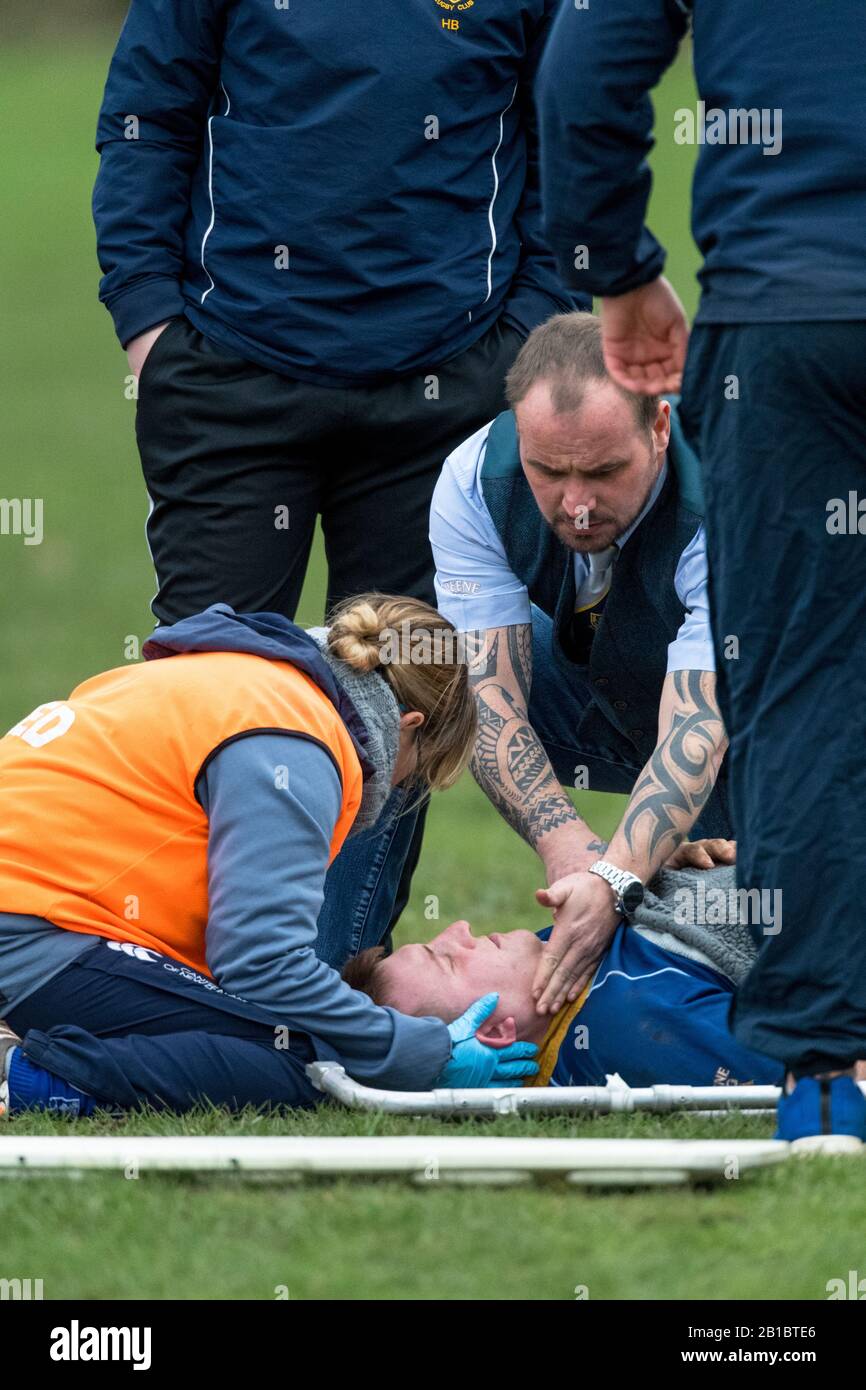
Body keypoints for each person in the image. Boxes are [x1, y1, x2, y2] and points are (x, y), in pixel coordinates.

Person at [92, 0, 587, 969]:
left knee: (400, 693)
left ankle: (331, 981)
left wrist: (526, 334)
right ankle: (170, 969)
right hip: (232, 376)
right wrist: (148, 321)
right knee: (209, 693)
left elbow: (569, 123)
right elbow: (148, 109)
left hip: (444, 387)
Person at [535, 0, 866, 1147]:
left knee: (806, 686)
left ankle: (827, 1078)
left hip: (787, 312)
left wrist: (616, 270)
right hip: (788, 299)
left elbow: (581, 73)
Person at [0, 596, 537, 1117]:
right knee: (311, 1056)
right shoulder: (297, 740)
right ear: (409, 726)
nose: (397, 789)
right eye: (416, 773)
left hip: (29, 913)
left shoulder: (245, 674)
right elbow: (260, 963)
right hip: (28, 932)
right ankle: (20, 1076)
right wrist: (419, 1053)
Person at [430, 311, 730, 1019]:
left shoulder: (727, 489)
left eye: (603, 471)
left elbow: (700, 718)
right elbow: (486, 697)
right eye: (548, 470)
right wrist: (575, 855)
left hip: (765, 728)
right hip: (610, 694)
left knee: (766, 913)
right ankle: (330, 987)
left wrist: (619, 875)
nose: (577, 505)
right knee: (390, 675)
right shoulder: (475, 478)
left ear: (659, 428)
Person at [343, 847, 783, 1092]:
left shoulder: (555, 964)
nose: (458, 928)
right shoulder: (628, 1019)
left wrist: (656, 867)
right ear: (494, 1033)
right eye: (447, 959)